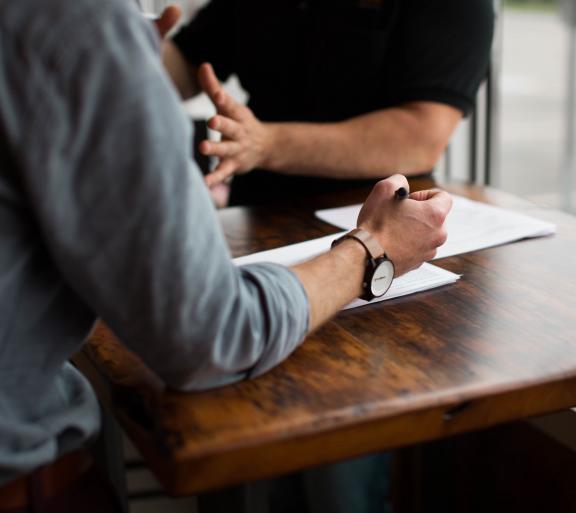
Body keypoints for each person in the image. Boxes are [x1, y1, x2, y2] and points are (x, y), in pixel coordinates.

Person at [0, 0, 452, 511]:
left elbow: (424, 135)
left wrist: (127, 69)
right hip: (278, 261)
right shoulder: (76, 23)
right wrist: (373, 250)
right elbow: (210, 332)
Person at [163, 0, 495, 206]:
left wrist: (265, 144)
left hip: (376, 224)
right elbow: (189, 62)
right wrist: (128, 54)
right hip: (258, 214)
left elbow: (420, 136)